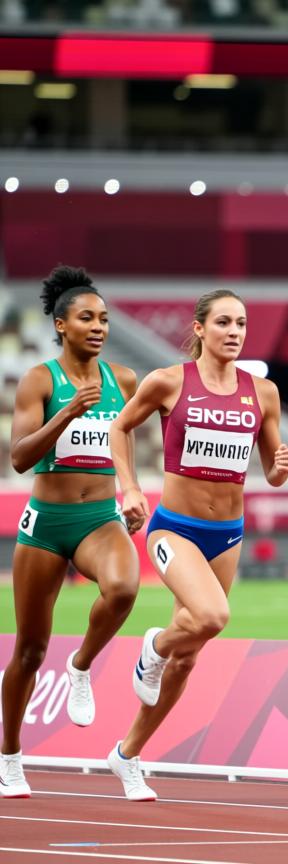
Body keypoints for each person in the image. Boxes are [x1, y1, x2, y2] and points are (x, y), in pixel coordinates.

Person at [106, 289, 288, 801]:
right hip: (175, 528)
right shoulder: (168, 382)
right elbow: (118, 428)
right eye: (223, 323)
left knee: (189, 659)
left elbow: (270, 471)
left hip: (228, 534)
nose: (234, 332)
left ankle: (127, 755)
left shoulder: (263, 393)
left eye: (241, 324)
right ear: (198, 329)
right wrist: (129, 488)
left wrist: (278, 471)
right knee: (212, 617)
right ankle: (153, 646)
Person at [1, 267, 141, 799]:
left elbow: (125, 446)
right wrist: (65, 416)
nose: (99, 326)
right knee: (30, 651)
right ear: (61, 325)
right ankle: (10, 756)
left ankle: (81, 663)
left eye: (104, 318)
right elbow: (18, 459)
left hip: (99, 518)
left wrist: (131, 491)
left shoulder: (124, 381)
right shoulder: (41, 380)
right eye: (87, 318)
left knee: (125, 588)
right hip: (46, 523)